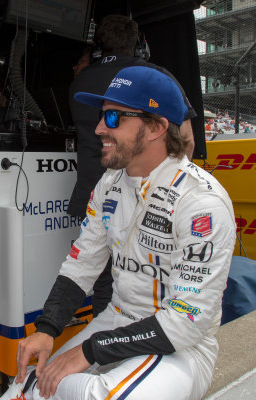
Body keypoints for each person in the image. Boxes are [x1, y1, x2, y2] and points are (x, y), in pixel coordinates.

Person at [2, 66, 236, 400]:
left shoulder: (201, 203)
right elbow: (82, 264)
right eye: (101, 116)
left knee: (90, 395)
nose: (98, 128)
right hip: (116, 320)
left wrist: (89, 351)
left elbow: (185, 322)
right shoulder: (110, 183)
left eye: (113, 118)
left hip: (182, 347)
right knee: (23, 391)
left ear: (156, 127)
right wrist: (46, 329)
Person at [67, 15, 197, 317]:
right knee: (147, 287)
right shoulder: (155, 77)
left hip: (91, 193)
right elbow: (187, 138)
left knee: (104, 289)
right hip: (145, 200)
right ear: (139, 45)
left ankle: (104, 351)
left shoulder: (79, 82)